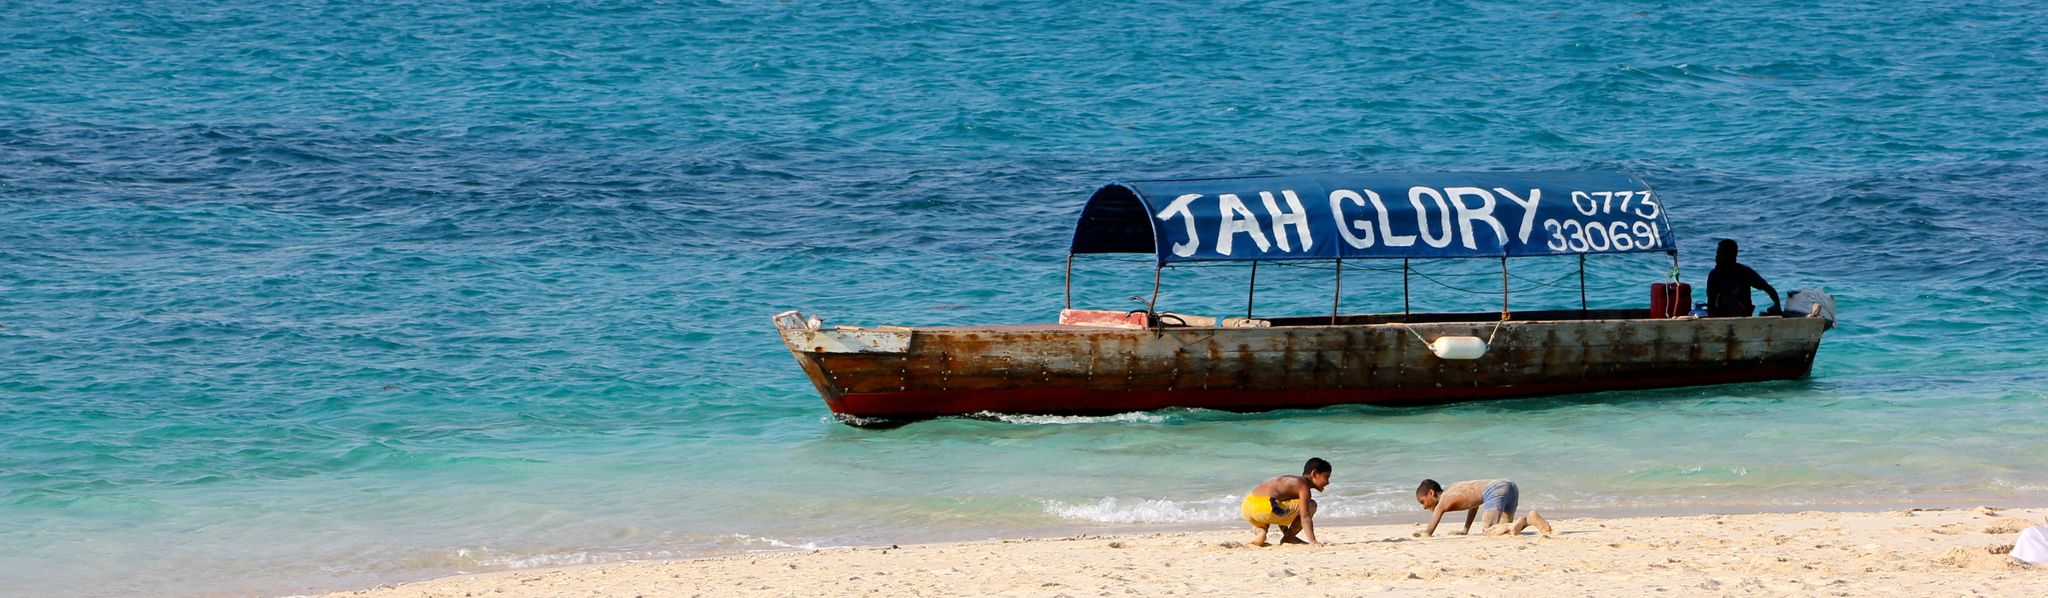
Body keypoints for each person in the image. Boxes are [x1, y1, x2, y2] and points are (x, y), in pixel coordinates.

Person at [1413, 478, 1551, 537]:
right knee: (1506, 529)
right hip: (1509, 486)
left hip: (1494, 489)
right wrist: (1465, 530)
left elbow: (1429, 530)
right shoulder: (1455, 488)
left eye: (1423, 502)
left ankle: (1525, 520)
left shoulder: (1443, 501)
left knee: (1488, 532)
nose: (1424, 507)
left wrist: (1423, 533)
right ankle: (1529, 520)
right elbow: (1474, 505)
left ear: (1431, 493)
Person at [1241, 457, 1331, 546]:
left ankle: (1261, 533)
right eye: (1326, 477)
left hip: (1248, 506)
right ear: (1314, 473)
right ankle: (1289, 537)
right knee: (1311, 505)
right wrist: (1313, 541)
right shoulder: (1303, 486)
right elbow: (1305, 517)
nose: (1328, 482)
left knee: (1270, 512)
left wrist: (1286, 533)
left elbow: (1281, 509)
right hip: (1266, 506)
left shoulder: (1292, 482)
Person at [1706, 239, 1780, 317]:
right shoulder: (1714, 275)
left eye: (1720, 253)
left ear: (1731, 255)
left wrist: (1777, 305)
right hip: (1724, 313)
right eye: (1717, 253)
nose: (1716, 256)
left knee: (1727, 299)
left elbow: (1768, 288)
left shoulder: (1744, 272)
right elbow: (1711, 302)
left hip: (1743, 313)